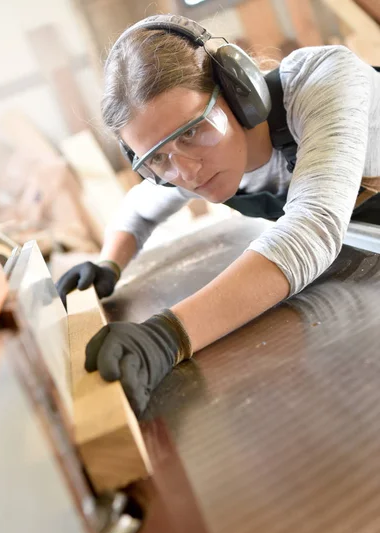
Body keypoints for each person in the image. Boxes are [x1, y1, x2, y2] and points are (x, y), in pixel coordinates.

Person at [57, 14, 380, 416]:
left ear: (237, 89)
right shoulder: (183, 163)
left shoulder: (324, 80)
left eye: (192, 131)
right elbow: (137, 210)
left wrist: (167, 336)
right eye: (158, 157)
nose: (186, 174)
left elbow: (312, 229)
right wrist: (108, 263)